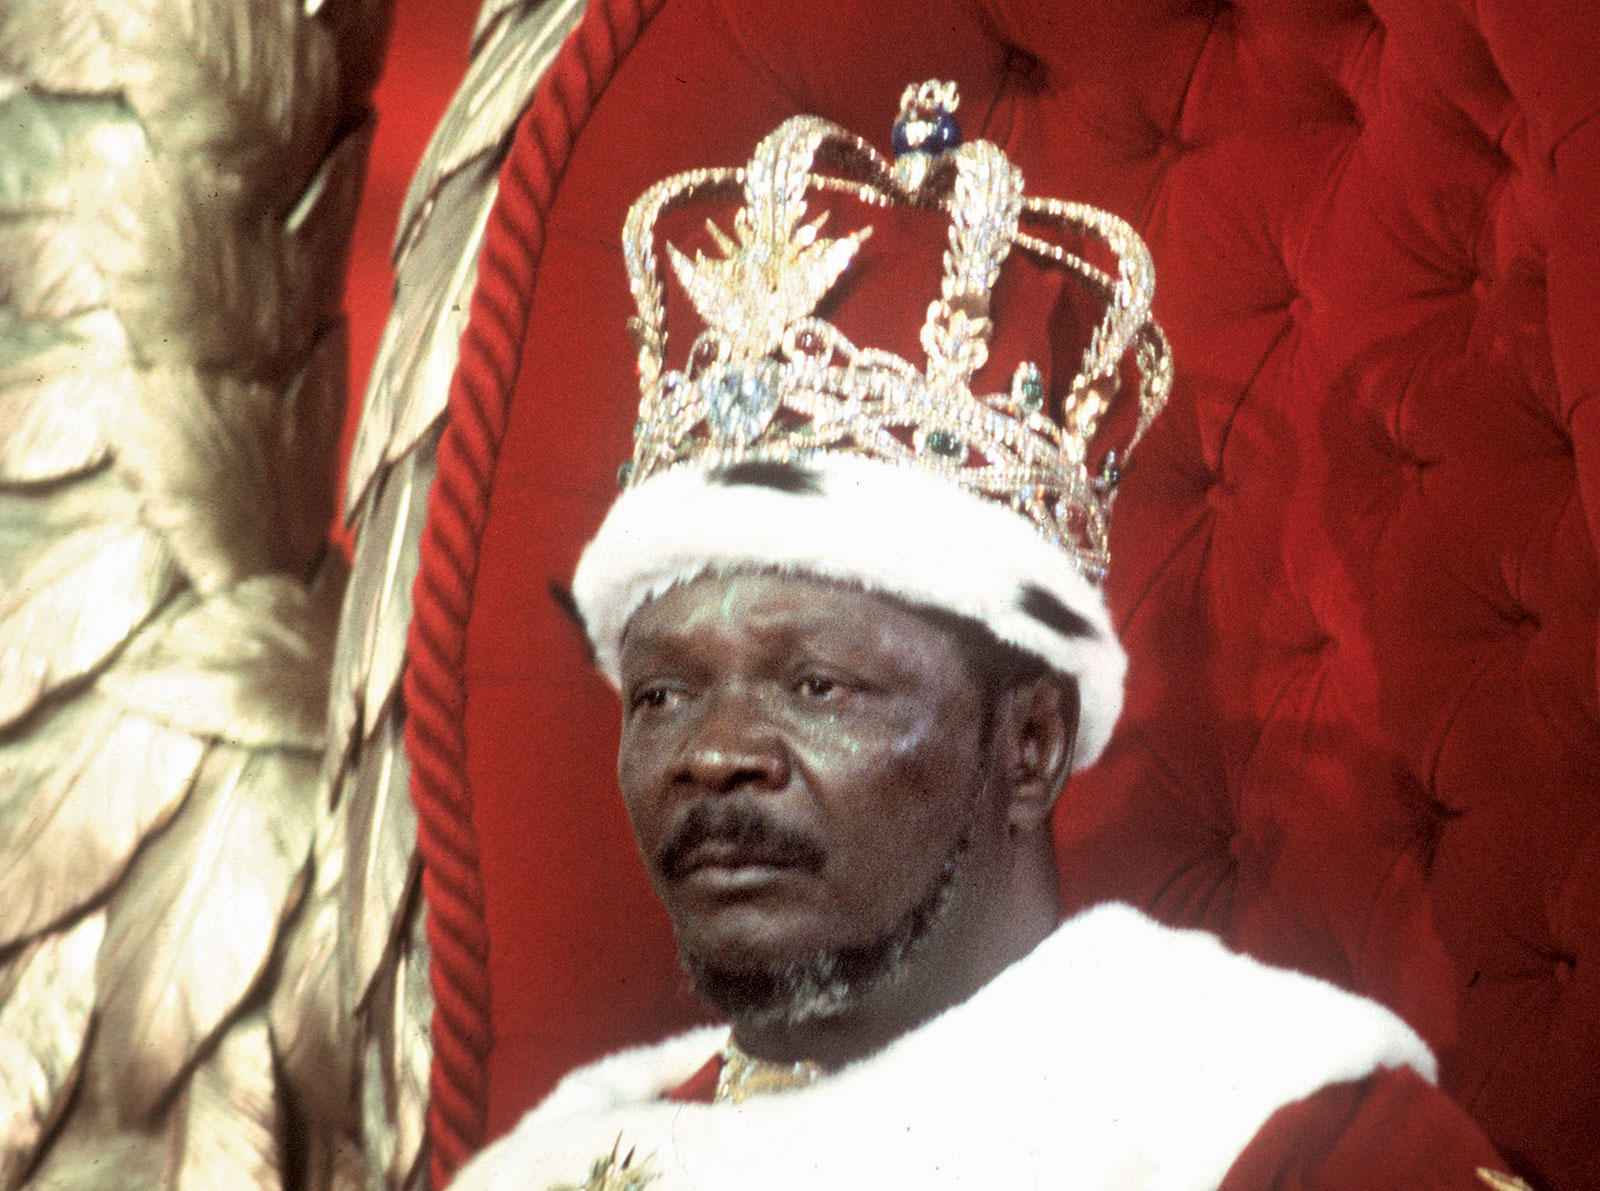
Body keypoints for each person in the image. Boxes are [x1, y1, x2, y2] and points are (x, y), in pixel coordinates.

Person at [453, 82, 1524, 1191]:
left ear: (1028, 747)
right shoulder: (556, 1172)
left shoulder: (1279, 1137)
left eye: (815, 684)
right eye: (662, 694)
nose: (710, 752)